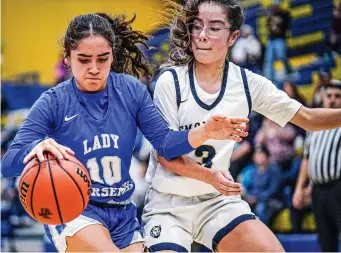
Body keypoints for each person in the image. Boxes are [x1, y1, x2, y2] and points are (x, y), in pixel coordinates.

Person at [0, 13, 250, 252]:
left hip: (122, 211)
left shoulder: (131, 91)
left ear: (113, 55)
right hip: (75, 209)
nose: (94, 68)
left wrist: (204, 131)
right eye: (84, 59)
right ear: (68, 58)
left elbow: (164, 143)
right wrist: (34, 149)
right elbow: (8, 164)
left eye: (103, 58)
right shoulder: (53, 101)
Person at [142, 0, 341, 252]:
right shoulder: (170, 81)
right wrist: (209, 173)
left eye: (214, 28)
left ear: (233, 36)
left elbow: (308, 118)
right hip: (168, 204)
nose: (203, 35)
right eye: (197, 26)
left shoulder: (247, 83)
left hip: (216, 201)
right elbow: (166, 152)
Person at [293, 80, 341, 252]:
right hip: (318, 191)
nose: (332, 100)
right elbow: (307, 158)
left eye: (337, 96)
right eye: (329, 96)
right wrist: (300, 187)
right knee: (326, 240)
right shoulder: (314, 125)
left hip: (338, 187)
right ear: (323, 98)